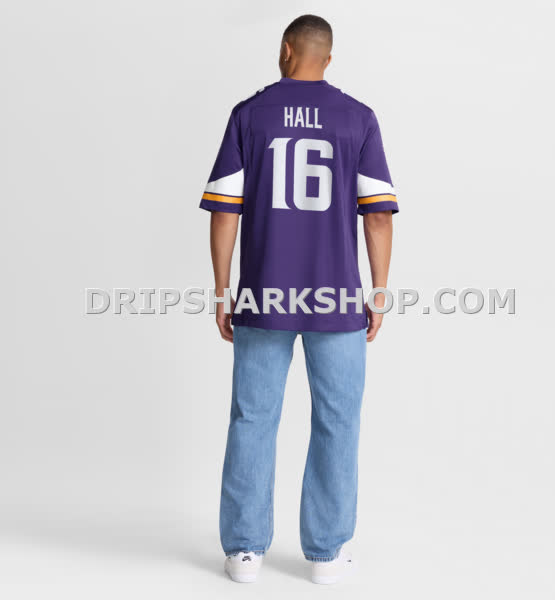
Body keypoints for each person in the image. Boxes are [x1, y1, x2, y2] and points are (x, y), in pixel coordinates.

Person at [200, 14, 396, 584]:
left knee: (252, 417)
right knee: (338, 420)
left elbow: (225, 212)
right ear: (326, 58)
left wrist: (222, 290)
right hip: (337, 298)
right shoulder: (358, 117)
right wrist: (379, 291)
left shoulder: (249, 114)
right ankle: (327, 555)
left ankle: (245, 552)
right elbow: (378, 216)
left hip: (264, 293)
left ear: (287, 49)